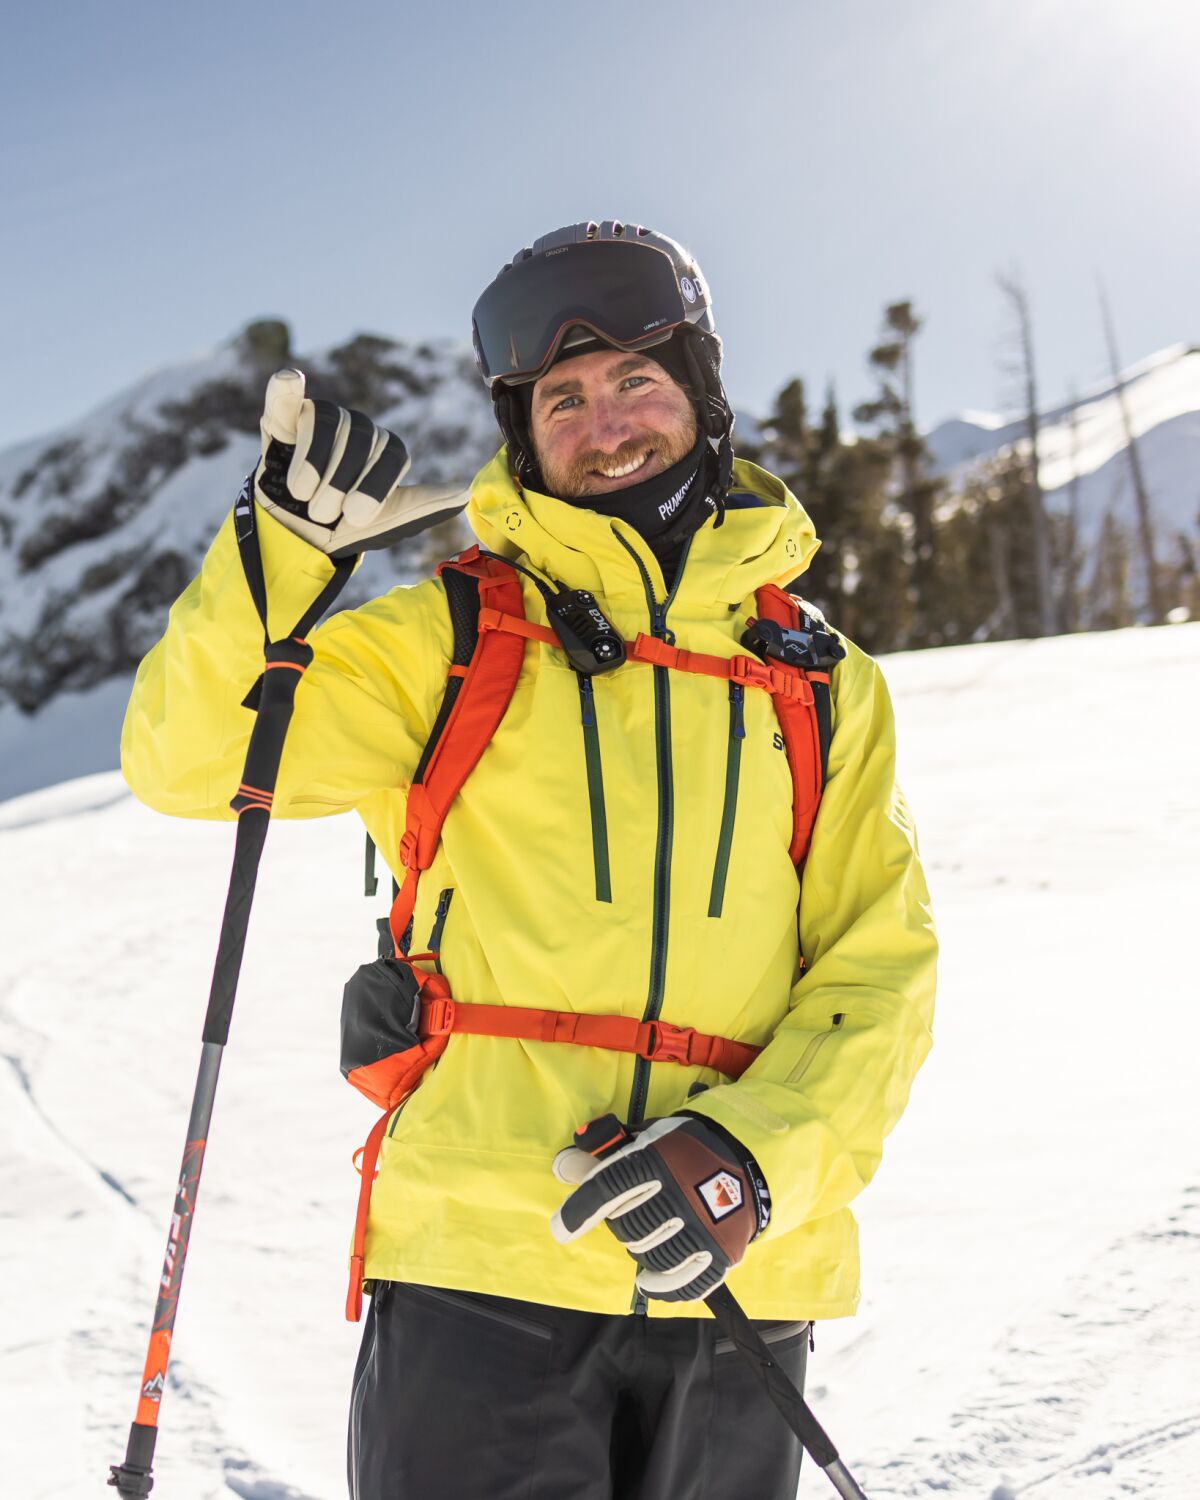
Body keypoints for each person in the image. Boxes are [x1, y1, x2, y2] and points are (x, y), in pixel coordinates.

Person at [122, 220, 937, 1500]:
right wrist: (274, 562)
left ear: (702, 392)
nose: (604, 424)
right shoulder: (450, 637)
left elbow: (876, 973)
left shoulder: (824, 685)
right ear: (523, 428)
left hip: (736, 1272)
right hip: (481, 1274)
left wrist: (755, 1161)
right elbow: (193, 761)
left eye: (634, 381)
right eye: (562, 398)